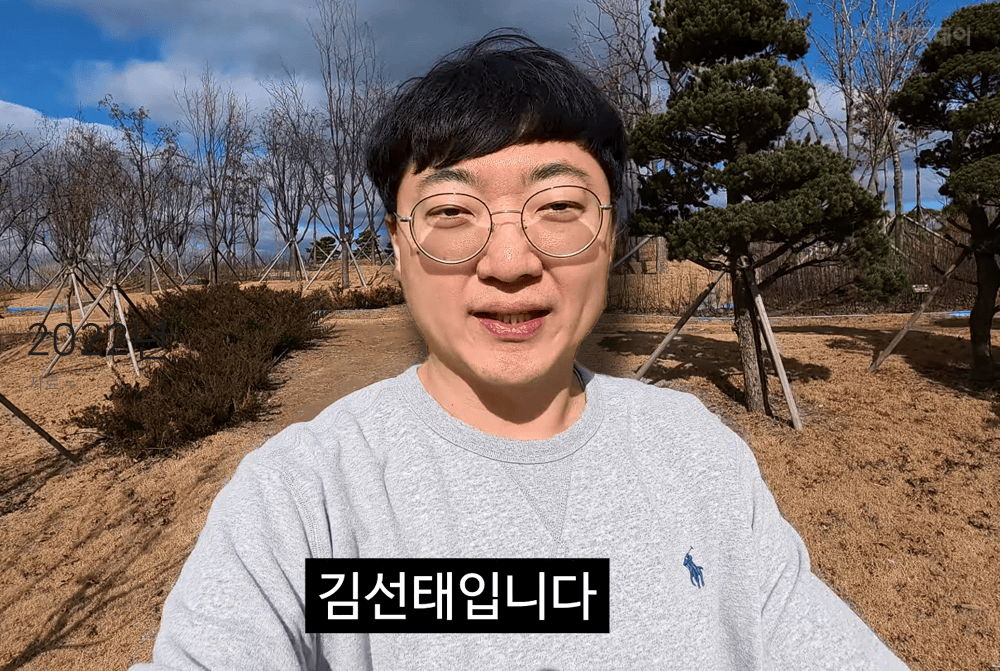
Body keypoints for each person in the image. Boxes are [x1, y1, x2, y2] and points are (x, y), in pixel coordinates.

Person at [130, 29, 910, 671]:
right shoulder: (304, 501)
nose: (509, 262)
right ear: (397, 247)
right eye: (451, 211)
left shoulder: (700, 459)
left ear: (610, 234)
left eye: (559, 204)